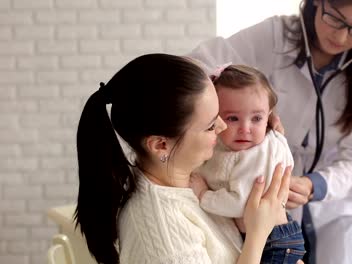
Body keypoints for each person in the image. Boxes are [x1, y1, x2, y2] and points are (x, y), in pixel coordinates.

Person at [189, 0, 352, 263]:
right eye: (334, 18)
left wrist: (316, 185)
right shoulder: (275, 37)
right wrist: (249, 109)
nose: (341, 35)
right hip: (270, 214)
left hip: (340, 210)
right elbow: (194, 68)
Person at [74, 53, 293, 264]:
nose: (223, 126)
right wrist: (258, 234)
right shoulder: (164, 238)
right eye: (210, 126)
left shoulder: (191, 177)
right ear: (161, 145)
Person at [191, 64, 305, 264]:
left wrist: (203, 195)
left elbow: (240, 203)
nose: (245, 129)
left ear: (269, 116)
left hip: (273, 241)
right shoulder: (227, 145)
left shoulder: (257, 155)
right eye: (233, 118)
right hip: (262, 236)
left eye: (256, 118)